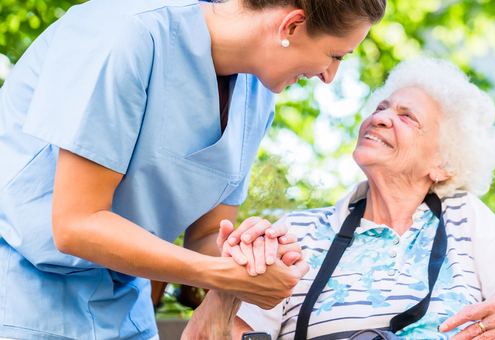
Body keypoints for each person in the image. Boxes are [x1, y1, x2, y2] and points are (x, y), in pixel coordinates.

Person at [0, 0, 387, 338]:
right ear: (291, 25)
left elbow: (203, 235)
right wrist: (216, 275)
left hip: (122, 314)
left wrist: (250, 255)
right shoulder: (126, 32)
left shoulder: (256, 98)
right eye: (336, 55)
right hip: (20, 300)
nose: (329, 75)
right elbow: (75, 225)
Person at [190, 56, 495, 340]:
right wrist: (227, 287)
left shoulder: (464, 217)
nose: (380, 117)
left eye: (407, 117)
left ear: (444, 164)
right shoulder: (298, 231)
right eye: (381, 107)